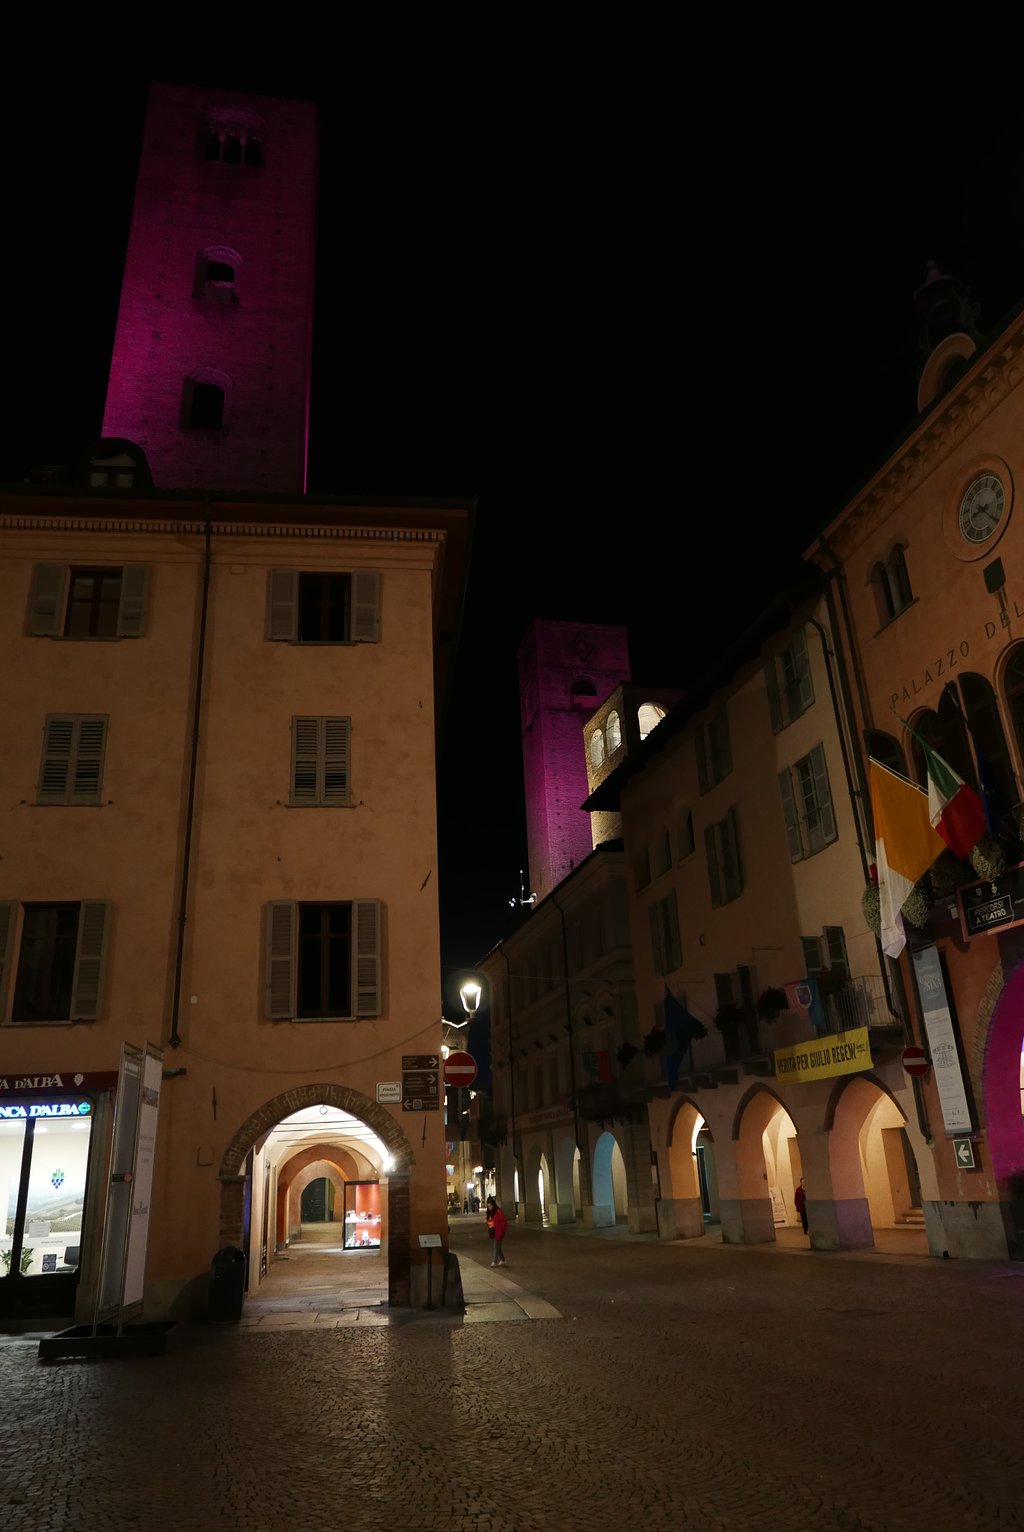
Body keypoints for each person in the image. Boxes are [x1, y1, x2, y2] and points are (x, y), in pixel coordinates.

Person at [485, 1195, 509, 1266]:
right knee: (498, 1247)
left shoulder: (498, 1212)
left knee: (496, 1246)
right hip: (493, 1231)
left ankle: (494, 1261)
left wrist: (502, 1230)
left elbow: (504, 1222)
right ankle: (503, 1260)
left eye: (490, 1206)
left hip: (499, 1232)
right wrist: (489, 1228)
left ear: (493, 1205)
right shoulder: (490, 1213)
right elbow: (489, 1222)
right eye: (488, 1206)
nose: (489, 1208)